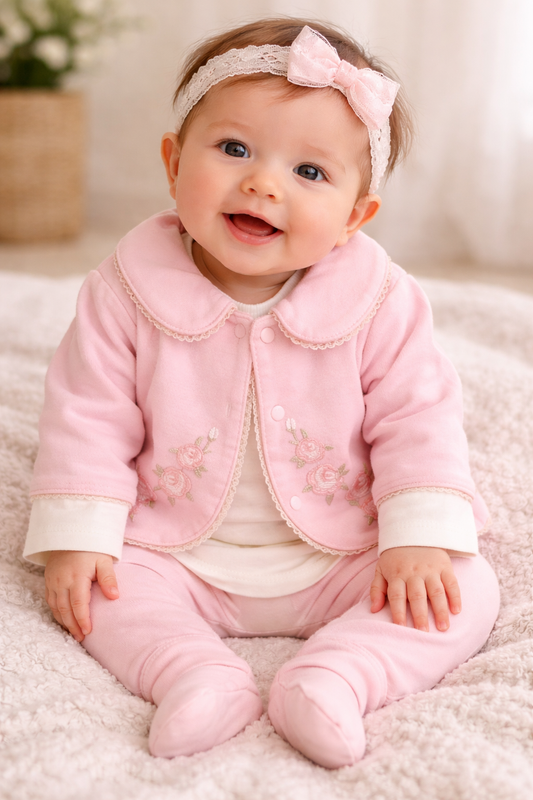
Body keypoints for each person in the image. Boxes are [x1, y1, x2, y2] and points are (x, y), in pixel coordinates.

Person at [23, 18, 500, 769]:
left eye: (310, 171)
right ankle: (190, 673)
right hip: (174, 547)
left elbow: (418, 415)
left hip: (343, 547)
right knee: (92, 592)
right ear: (173, 162)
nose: (263, 184)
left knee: (462, 586)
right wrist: (79, 535)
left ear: (354, 218)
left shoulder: (380, 299)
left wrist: (414, 535)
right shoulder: (124, 290)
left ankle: (338, 676)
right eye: (234, 149)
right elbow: (87, 414)